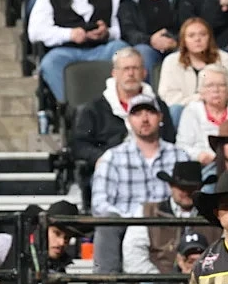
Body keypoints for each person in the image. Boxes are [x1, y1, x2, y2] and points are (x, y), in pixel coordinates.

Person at [90, 93, 189, 284]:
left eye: (150, 112)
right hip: (126, 224)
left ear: (160, 117)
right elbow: (99, 202)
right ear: (129, 120)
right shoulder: (113, 157)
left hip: (168, 223)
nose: (144, 118)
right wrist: (136, 216)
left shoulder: (179, 154)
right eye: (137, 113)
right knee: (106, 220)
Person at [72, 47, 178, 207]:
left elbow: (170, 139)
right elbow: (78, 145)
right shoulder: (94, 109)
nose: (130, 74)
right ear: (114, 73)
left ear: (144, 73)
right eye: (125, 69)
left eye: (135, 68)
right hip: (113, 169)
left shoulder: (158, 106)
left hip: (155, 168)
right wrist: (100, 157)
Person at [29, 0, 133, 103]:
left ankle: (120, 101)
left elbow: (118, 29)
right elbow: (35, 32)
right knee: (50, 62)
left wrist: (107, 33)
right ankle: (69, 107)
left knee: (122, 51)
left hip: (100, 49)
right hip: (66, 50)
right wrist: (69, 34)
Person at [122, 161, 213, 284]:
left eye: (192, 188)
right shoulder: (148, 211)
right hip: (158, 278)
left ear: (200, 188)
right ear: (171, 186)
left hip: (205, 281)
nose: (187, 192)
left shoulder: (213, 215)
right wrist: (161, 281)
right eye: (181, 187)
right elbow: (133, 253)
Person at [158, 17, 228, 115]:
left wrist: (214, 104)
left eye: (202, 34)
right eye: (191, 35)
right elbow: (167, 96)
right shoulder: (171, 62)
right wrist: (199, 99)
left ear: (209, 37)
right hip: (185, 110)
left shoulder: (225, 59)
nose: (197, 39)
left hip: (221, 108)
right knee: (175, 110)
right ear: (183, 40)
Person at [177, 64, 228, 164]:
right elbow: (182, 146)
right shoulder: (191, 111)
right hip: (203, 166)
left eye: (221, 85)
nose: (216, 90)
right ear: (201, 91)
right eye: (210, 85)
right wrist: (199, 155)